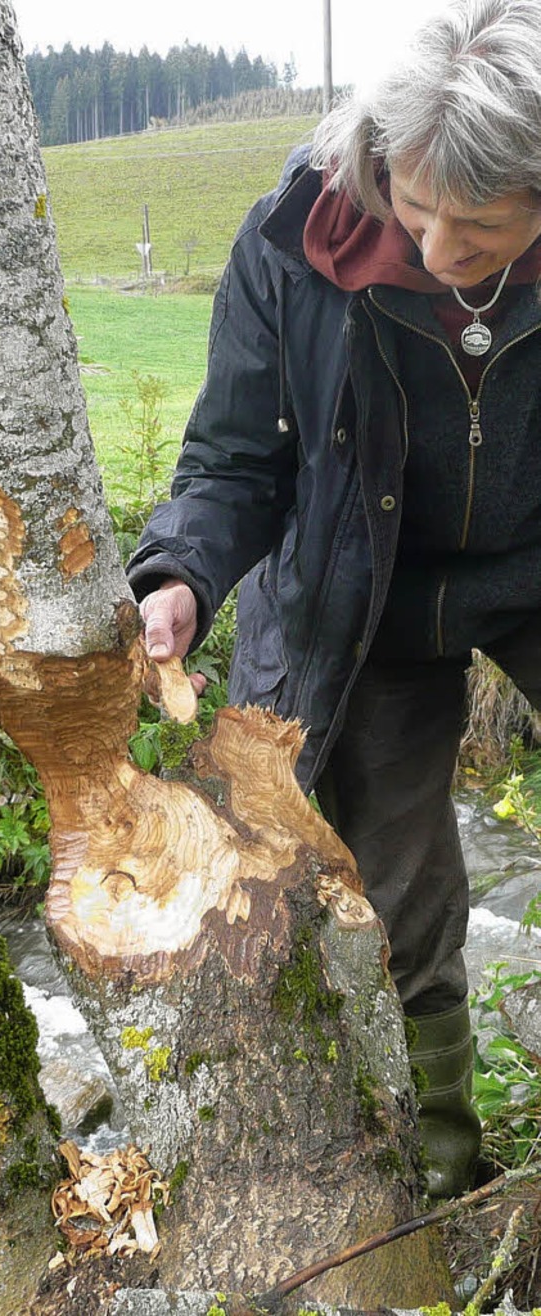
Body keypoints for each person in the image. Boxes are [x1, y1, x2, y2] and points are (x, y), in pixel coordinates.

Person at [127, 0, 541, 1198]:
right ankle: (445, 1185)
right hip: (363, 596)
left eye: (483, 226)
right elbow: (231, 461)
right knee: (394, 895)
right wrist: (179, 578)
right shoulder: (297, 236)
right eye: (417, 210)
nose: (441, 248)